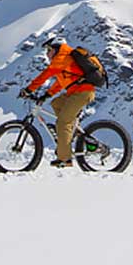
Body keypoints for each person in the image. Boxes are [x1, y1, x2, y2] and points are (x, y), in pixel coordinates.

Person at [22, 36, 97, 168]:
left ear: (56, 49)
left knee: (63, 122)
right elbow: (60, 83)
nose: (47, 54)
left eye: (49, 50)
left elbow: (45, 75)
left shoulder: (62, 58)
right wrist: (46, 95)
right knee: (56, 103)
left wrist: (29, 89)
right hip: (76, 92)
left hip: (82, 93)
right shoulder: (64, 61)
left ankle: (65, 159)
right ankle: (73, 133)